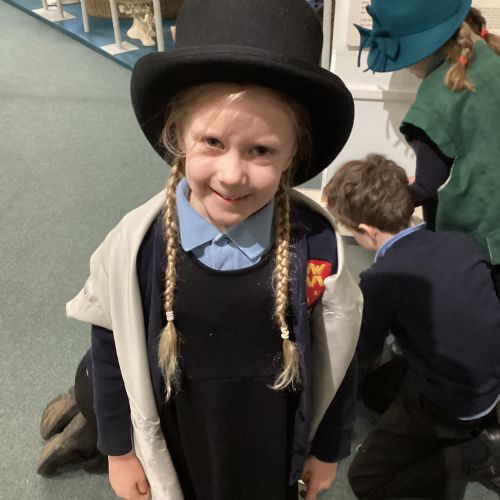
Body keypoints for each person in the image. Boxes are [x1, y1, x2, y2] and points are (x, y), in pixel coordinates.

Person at [38, 1, 364, 498]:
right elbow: (109, 349)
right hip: (180, 439)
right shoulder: (137, 247)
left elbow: (339, 357)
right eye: (212, 141)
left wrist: (326, 450)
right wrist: (119, 450)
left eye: (261, 151)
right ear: (178, 137)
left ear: (292, 155)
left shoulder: (315, 246)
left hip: (269, 443)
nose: (232, 175)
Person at [325, 154, 500, 499]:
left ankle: (476, 454)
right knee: (378, 392)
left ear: (366, 231)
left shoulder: (381, 279)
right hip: (491, 383)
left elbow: (359, 353)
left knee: (365, 480)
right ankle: (462, 433)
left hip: (453, 401)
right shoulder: (459, 242)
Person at [356, 0, 500, 290]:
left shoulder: (435, 99)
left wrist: (372, 210)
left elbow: (425, 186)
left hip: (479, 249)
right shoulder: (487, 54)